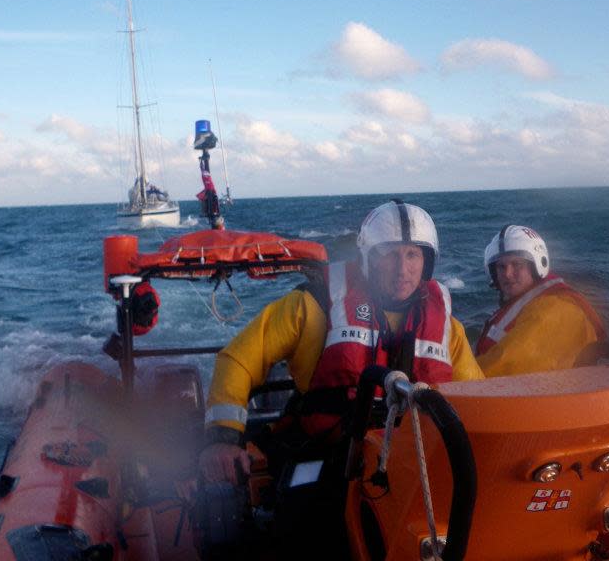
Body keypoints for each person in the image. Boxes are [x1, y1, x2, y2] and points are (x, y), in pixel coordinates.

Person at [199, 200, 483, 485]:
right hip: (324, 454)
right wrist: (223, 436)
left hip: (411, 466)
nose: (402, 269)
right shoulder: (315, 305)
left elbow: (480, 396)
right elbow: (238, 359)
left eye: (412, 255)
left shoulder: (448, 329)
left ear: (427, 262)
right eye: (390, 255)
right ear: (369, 259)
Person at [474, 224, 605, 377]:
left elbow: (507, 365)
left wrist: (448, 381)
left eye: (517, 265)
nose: (507, 274)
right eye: (501, 267)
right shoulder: (530, 302)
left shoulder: (554, 309)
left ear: (537, 265)